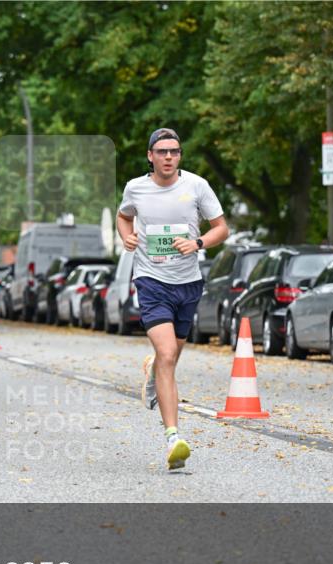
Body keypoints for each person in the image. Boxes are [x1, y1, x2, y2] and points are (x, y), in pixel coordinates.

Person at [117, 128, 230, 471]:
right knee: (167, 353)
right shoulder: (136, 187)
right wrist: (127, 237)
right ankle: (173, 437)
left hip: (188, 283)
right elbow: (124, 216)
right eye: (162, 151)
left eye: (175, 152)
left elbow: (221, 228)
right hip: (151, 281)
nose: (169, 157)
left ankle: (154, 369)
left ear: (180, 156)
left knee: (170, 356)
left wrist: (197, 244)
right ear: (150, 155)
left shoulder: (196, 186)